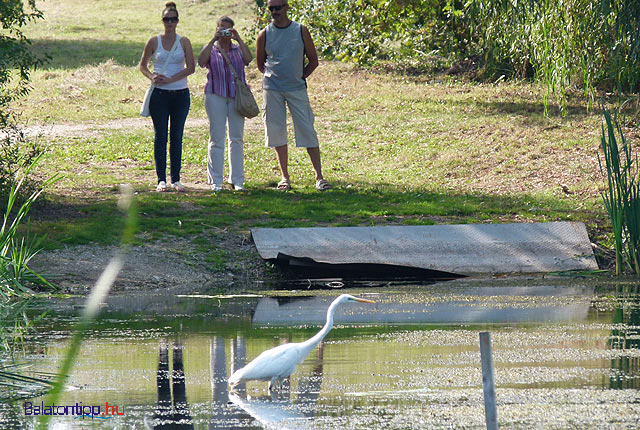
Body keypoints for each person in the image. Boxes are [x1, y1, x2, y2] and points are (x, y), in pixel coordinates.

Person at [256, 0, 332, 191]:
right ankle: (285, 178)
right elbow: (260, 64)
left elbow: (313, 60)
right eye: (271, 8)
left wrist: (300, 76)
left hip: (297, 89)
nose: (275, 12)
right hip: (272, 89)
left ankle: (320, 177)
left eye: (278, 7)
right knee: (276, 131)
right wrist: (274, 78)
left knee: (307, 128)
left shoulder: (301, 30)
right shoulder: (264, 34)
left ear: (287, 7)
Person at [139, 2, 195, 192]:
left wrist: (171, 79)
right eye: (166, 19)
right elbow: (143, 65)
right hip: (159, 95)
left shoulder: (184, 41)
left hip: (180, 94)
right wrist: (152, 76)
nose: (169, 23)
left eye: (173, 19)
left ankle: (176, 179)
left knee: (177, 136)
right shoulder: (154, 41)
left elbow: (191, 67)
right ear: (162, 21)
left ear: (177, 21)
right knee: (160, 136)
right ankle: (161, 179)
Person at [198, 16, 252, 192]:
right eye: (222, 29)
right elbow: (201, 61)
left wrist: (239, 39)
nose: (224, 34)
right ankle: (215, 180)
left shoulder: (237, 49)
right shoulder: (212, 49)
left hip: (236, 97)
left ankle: (237, 180)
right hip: (216, 95)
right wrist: (213, 39)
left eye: (228, 30)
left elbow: (248, 59)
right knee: (217, 137)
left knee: (236, 138)